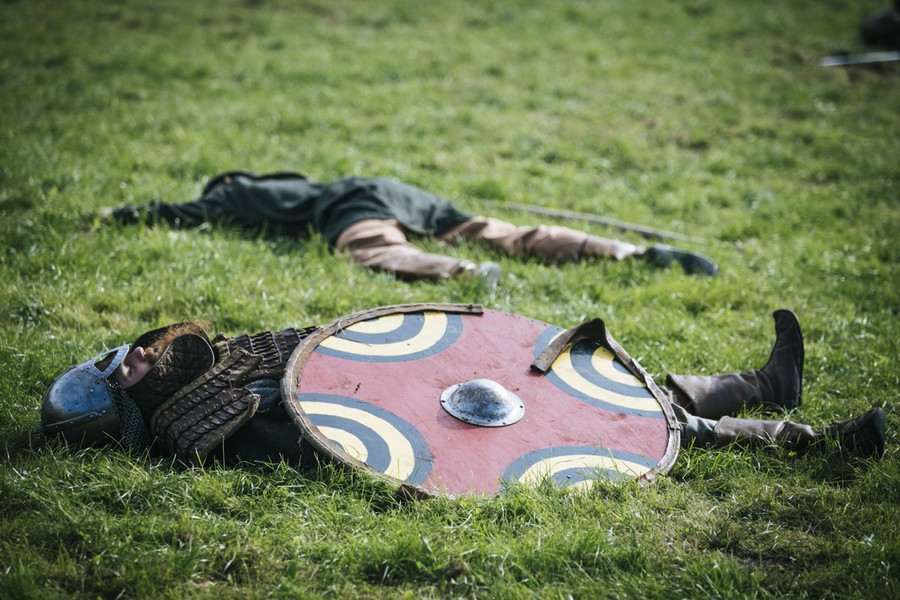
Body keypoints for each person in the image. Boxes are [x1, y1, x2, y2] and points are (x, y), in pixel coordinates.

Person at [39, 310, 884, 469]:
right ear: (126, 409)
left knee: (589, 376)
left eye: (126, 354)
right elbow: (352, 435)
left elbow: (346, 355)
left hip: (441, 383)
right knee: (608, 430)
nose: (138, 357)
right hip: (449, 422)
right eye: (125, 373)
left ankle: (757, 384)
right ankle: (812, 439)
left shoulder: (223, 364)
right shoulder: (217, 426)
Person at [106, 170, 719, 283]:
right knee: (504, 230)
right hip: (408, 193)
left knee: (373, 247)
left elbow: (184, 213)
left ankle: (466, 274)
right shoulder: (295, 182)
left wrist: (121, 215)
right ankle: (629, 253)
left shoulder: (240, 194)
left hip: (357, 204)